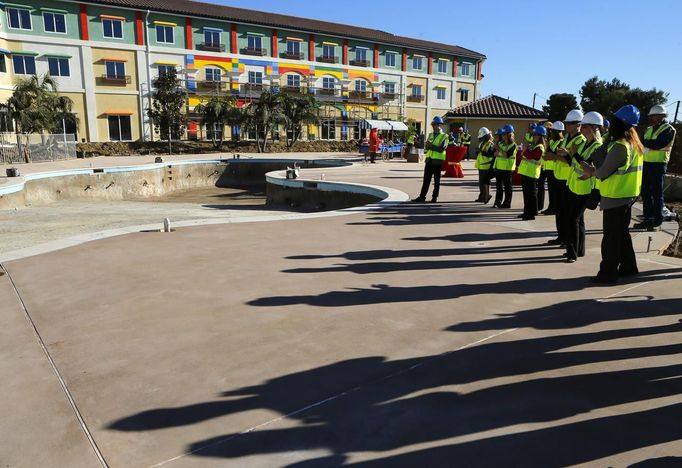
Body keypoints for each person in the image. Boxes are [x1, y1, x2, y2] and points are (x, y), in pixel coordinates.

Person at [580, 105, 643, 284]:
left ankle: (608, 273)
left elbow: (603, 172)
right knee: (622, 235)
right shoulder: (633, 144)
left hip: (616, 197)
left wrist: (591, 170)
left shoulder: (619, 146)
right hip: (627, 195)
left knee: (611, 239)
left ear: (619, 124)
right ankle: (629, 267)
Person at [564, 111, 604, 262]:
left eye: (585, 126)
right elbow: (575, 162)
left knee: (573, 219)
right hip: (575, 184)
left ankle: (571, 253)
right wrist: (570, 155)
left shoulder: (597, 146)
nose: (582, 128)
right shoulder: (584, 143)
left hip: (586, 187)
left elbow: (587, 165)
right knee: (578, 220)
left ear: (593, 128)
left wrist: (574, 154)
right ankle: (579, 250)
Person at [633, 104, 677, 231]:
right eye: (652, 116)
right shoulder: (649, 129)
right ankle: (647, 219)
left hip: (658, 164)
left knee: (657, 193)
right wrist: (645, 144)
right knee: (645, 192)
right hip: (646, 163)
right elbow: (641, 142)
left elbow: (659, 144)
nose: (653, 118)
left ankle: (657, 220)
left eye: (655, 115)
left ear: (663, 116)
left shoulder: (669, 129)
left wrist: (645, 144)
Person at [546, 109, 586, 246]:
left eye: (570, 123)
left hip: (568, 180)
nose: (567, 126)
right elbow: (563, 155)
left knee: (570, 214)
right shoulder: (567, 139)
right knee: (560, 211)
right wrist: (559, 156)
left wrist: (555, 157)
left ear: (578, 124)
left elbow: (574, 160)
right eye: (567, 123)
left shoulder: (580, 139)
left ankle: (569, 240)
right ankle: (561, 236)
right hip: (560, 177)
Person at [412, 116, 448, 203]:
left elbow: (441, 149)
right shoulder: (431, 135)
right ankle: (422, 197)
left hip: (437, 161)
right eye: (432, 124)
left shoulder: (445, 136)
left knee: (436, 181)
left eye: (434, 124)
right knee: (426, 180)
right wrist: (427, 146)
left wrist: (431, 146)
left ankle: (434, 197)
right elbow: (427, 146)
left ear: (439, 125)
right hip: (429, 160)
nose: (433, 126)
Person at [517, 125, 546, 220]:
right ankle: (527, 212)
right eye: (533, 135)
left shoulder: (540, 147)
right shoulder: (533, 145)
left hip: (531, 173)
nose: (533, 136)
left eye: (535, 135)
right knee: (527, 194)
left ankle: (531, 214)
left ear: (540, 136)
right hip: (527, 172)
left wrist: (524, 151)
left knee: (531, 195)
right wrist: (526, 151)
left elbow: (534, 156)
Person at [492, 124, 517, 208]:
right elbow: (495, 154)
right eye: (502, 134)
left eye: (503, 134)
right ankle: (497, 202)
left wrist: (499, 150)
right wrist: (497, 151)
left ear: (509, 134)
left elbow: (507, 155)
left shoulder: (513, 145)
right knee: (499, 187)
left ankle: (507, 203)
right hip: (499, 167)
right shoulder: (501, 143)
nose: (502, 136)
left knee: (507, 187)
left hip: (507, 169)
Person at [474, 127, 495, 203]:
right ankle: (482, 196)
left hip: (486, 166)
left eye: (482, 137)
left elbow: (490, 154)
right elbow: (480, 153)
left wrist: (481, 151)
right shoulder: (482, 143)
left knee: (485, 182)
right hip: (481, 165)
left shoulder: (490, 144)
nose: (481, 139)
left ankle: (485, 196)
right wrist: (477, 152)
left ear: (486, 136)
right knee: (481, 183)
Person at [537, 121, 554, 212]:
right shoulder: (545, 139)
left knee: (551, 188)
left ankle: (552, 207)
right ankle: (539, 205)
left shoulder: (552, 140)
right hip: (543, 165)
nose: (547, 131)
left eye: (548, 129)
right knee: (540, 185)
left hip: (551, 167)